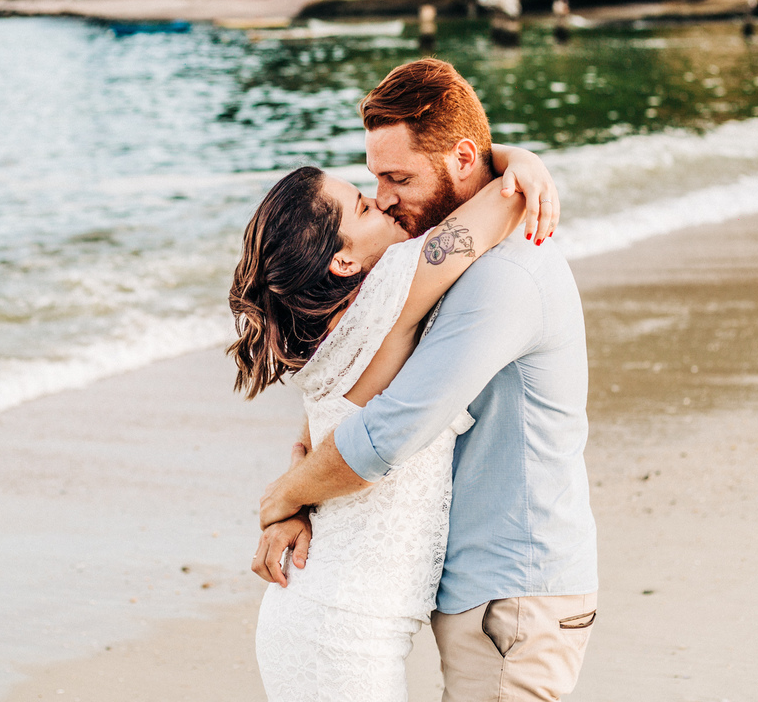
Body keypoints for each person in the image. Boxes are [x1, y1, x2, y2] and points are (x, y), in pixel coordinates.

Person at [256, 58, 598, 701]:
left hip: (513, 591)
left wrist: (281, 499)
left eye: (396, 177)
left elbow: (386, 434)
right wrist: (515, 162)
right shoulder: (415, 277)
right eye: (372, 182)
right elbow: (330, 417)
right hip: (467, 593)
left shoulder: (503, 276)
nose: (384, 196)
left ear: (464, 160)